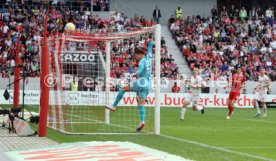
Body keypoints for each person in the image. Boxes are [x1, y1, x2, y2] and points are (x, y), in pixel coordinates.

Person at [106, 40, 153, 132]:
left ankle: (114, 106)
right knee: (141, 104)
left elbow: (140, 70)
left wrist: (134, 75)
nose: (135, 57)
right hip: (147, 84)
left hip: (141, 82)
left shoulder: (141, 61)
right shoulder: (149, 57)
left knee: (123, 88)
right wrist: (150, 42)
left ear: (139, 54)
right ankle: (142, 121)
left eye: (136, 55)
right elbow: (150, 49)